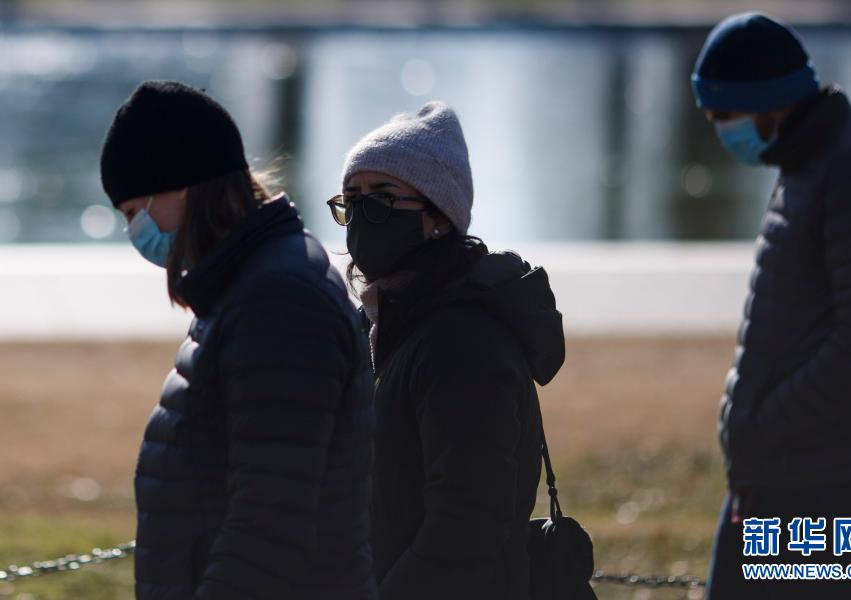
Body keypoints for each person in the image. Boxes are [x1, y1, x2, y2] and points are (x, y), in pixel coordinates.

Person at [100, 80, 376, 599]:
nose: (136, 231)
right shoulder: (245, 286)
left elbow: (270, 525)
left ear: (182, 185)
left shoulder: (279, 301)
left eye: (135, 211)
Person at [692, 13, 851, 599]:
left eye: (725, 114)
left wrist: (766, 422)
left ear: (770, 101)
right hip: (777, 481)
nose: (721, 130)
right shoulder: (807, 163)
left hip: (824, 493)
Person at [327, 101, 566, 600]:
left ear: (438, 216)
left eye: (382, 197)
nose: (362, 216)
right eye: (352, 199)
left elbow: (468, 523)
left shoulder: (462, 344)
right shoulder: (385, 327)